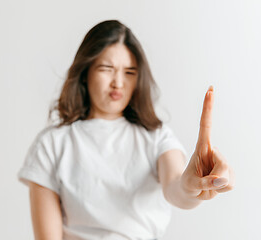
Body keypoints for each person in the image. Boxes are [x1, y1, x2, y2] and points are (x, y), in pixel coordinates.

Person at [17, 20, 235, 240]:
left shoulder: (156, 137)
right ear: (85, 73)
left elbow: (176, 188)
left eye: (129, 72)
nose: (118, 83)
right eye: (106, 69)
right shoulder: (52, 144)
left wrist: (192, 186)